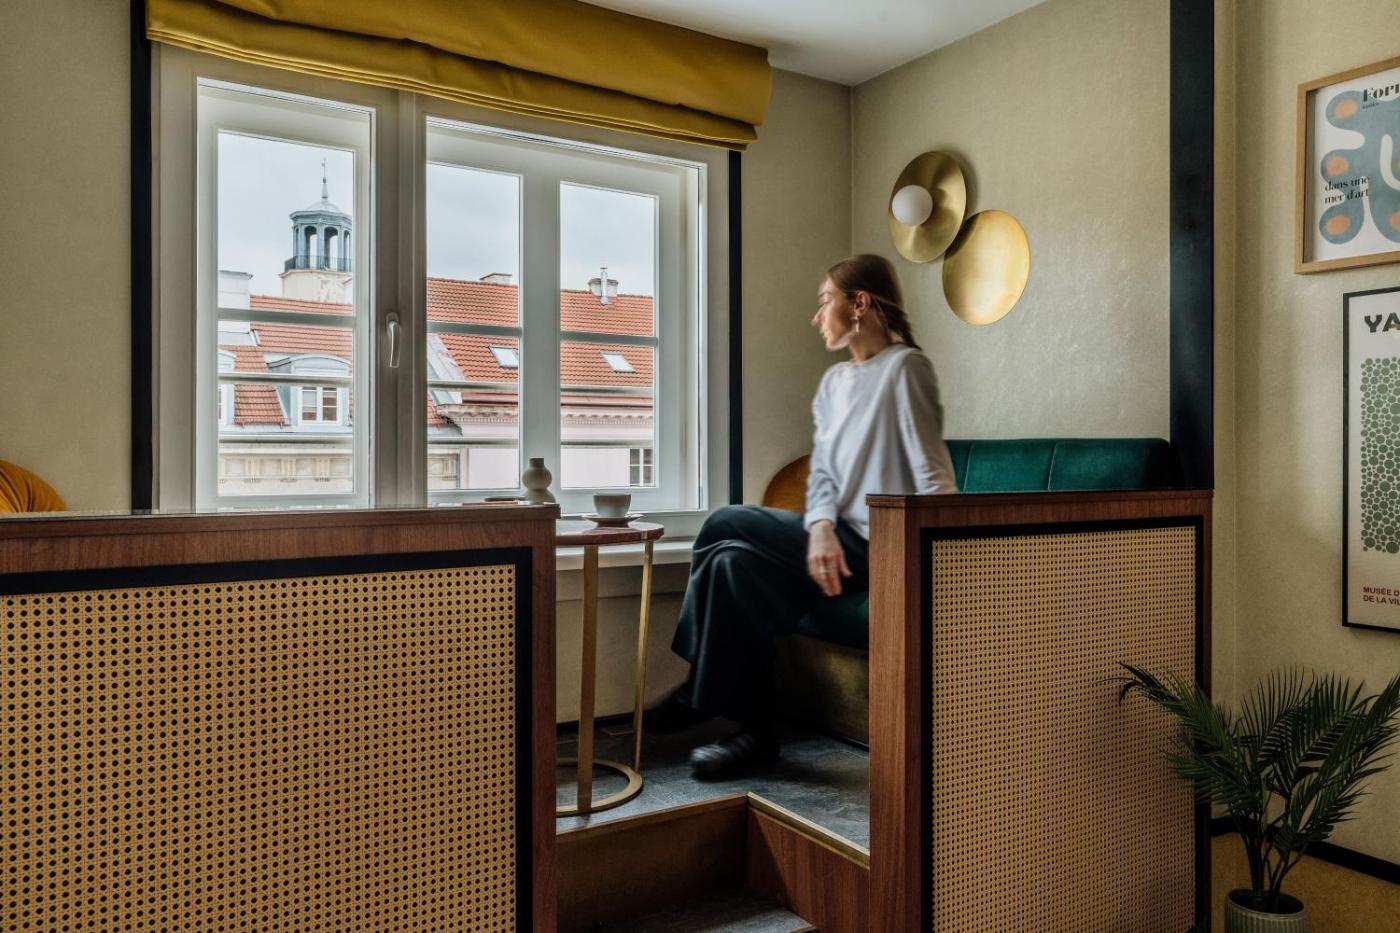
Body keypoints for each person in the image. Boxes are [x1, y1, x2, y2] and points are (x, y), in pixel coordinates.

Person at [650, 253, 958, 780]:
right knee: (731, 564)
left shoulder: (905, 369)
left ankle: (700, 687)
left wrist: (941, 564)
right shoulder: (835, 382)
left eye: (825, 301)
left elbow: (934, 474)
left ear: (860, 304)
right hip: (838, 538)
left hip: (884, 545)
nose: (817, 316)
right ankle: (754, 735)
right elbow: (824, 478)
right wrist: (818, 527)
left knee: (725, 521)